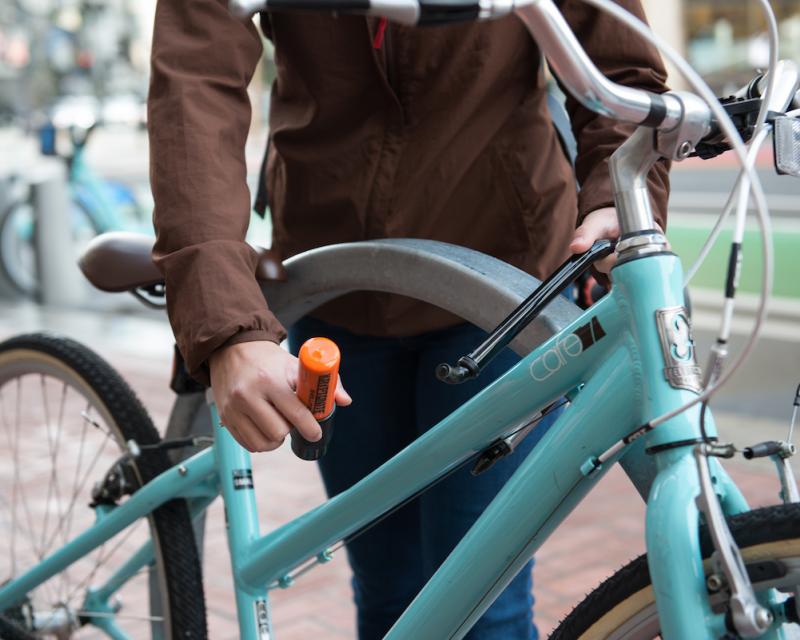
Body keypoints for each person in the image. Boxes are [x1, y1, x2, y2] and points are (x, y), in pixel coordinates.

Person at [148, 1, 669, 637]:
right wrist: (227, 323)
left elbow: (619, 71)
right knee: (389, 595)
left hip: (499, 282)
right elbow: (194, 89)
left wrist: (616, 197)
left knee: (481, 606)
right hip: (335, 278)